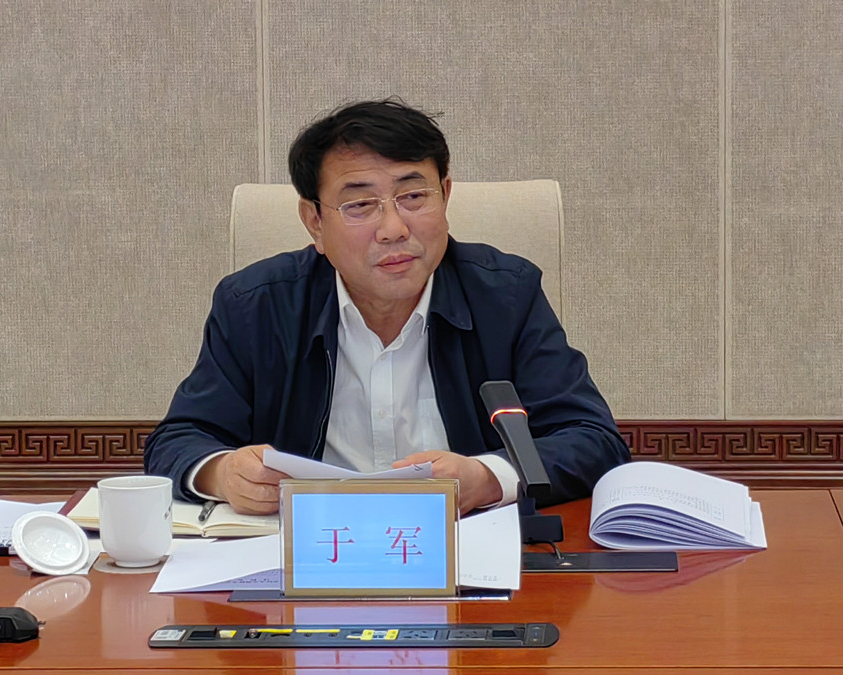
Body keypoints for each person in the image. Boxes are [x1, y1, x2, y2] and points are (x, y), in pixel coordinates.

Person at [144, 99, 629, 516]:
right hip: (306, 557)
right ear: (314, 222)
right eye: (360, 205)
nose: (394, 228)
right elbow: (179, 439)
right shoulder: (255, 305)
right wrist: (224, 473)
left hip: (463, 552)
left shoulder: (506, 295)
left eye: (413, 196)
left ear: (446, 195)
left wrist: (486, 478)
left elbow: (593, 439)